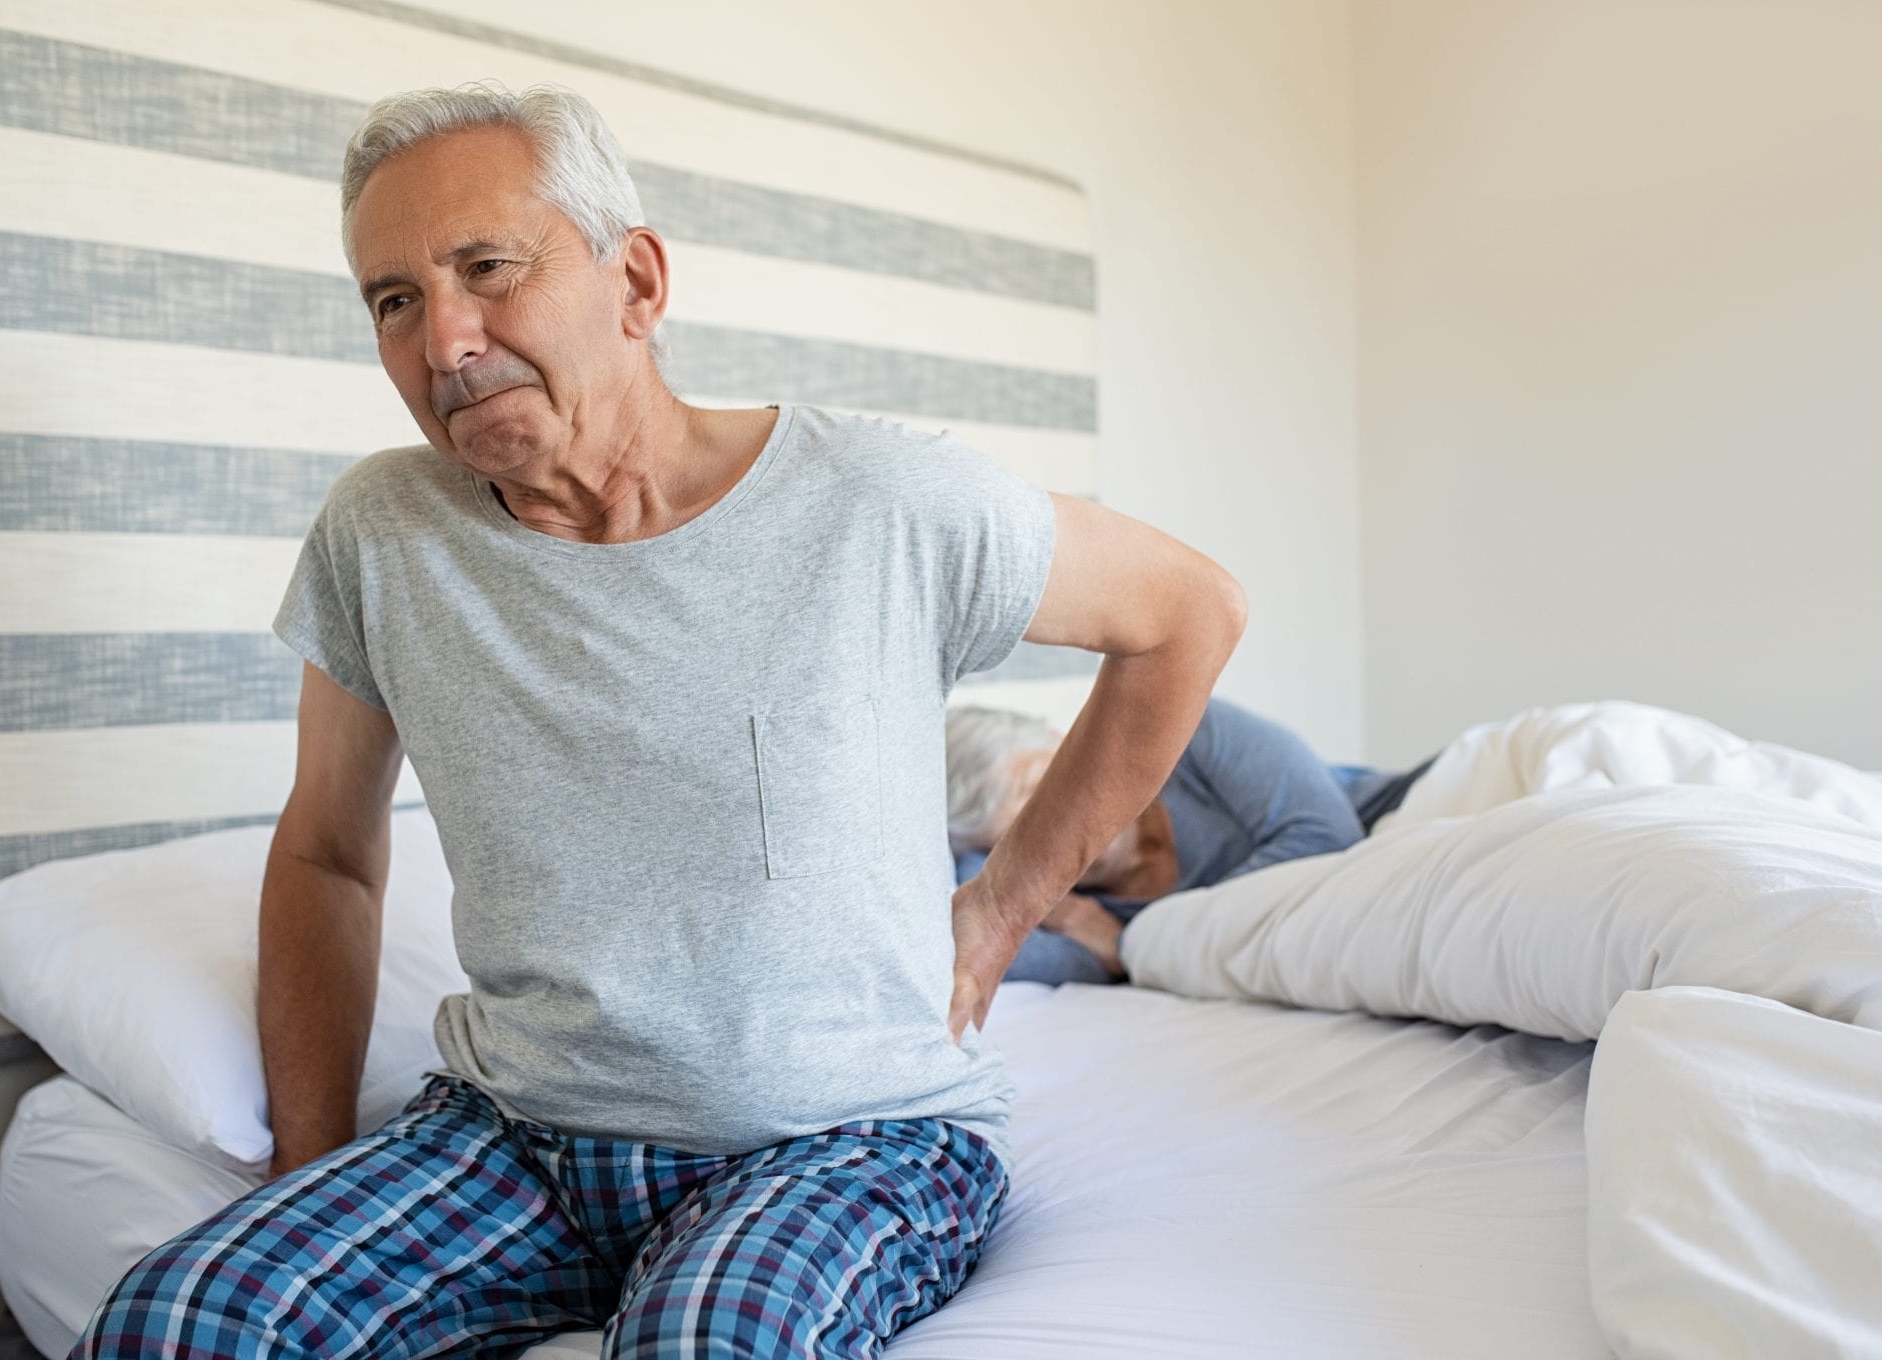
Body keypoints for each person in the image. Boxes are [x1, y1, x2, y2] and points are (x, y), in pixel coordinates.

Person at [72, 81, 1247, 1360]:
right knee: (182, 1320)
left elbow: (1189, 611)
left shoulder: (877, 500)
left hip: (841, 1140)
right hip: (515, 1136)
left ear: (634, 281)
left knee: (702, 1342)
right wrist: (310, 1164)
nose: (444, 339)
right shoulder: (386, 533)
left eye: (486, 267)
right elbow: (327, 854)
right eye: (394, 300)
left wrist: (1005, 903)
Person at [946, 698, 1434, 984]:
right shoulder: (1073, 917)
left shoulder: (1189, 731)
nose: (1055, 830)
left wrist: (1137, 943)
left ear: (1068, 740)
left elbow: (1330, 840)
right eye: (1018, 840)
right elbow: (957, 952)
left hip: (1422, 811)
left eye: (1039, 786)